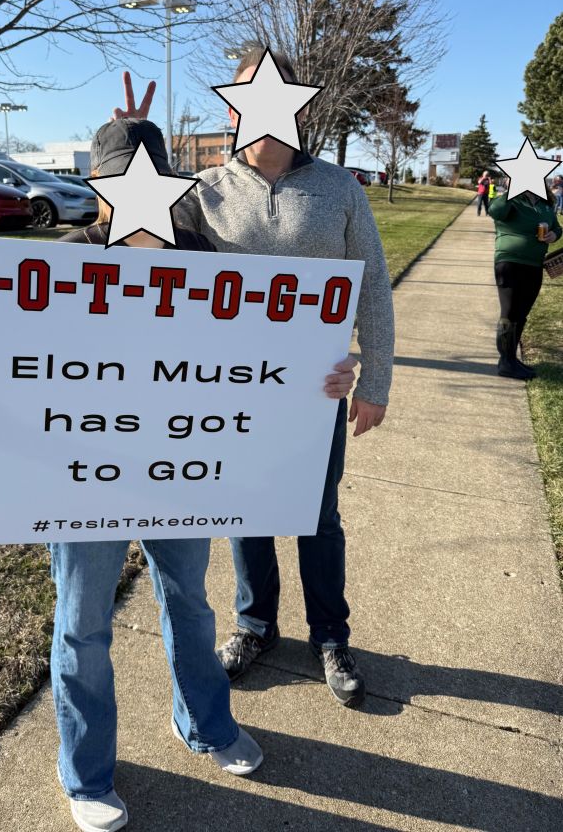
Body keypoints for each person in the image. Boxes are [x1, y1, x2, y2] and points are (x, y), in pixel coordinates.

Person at [0, 104, 358, 832]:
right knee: (83, 622)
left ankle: (206, 724)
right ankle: (86, 771)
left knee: (190, 602)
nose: (137, 193)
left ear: (175, 185)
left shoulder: (204, 258)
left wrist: (325, 375)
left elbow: (256, 358)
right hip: (80, 477)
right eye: (119, 181)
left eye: (150, 179)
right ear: (97, 188)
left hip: (179, 473)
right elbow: (0, 366)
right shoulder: (58, 262)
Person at [168, 48, 395, 709]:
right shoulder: (205, 194)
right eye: (248, 97)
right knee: (247, 512)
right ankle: (255, 625)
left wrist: (375, 379)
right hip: (232, 389)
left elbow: (372, 283)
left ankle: (330, 635)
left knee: (318, 516)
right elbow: (136, 258)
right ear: (233, 108)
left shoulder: (339, 189)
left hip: (313, 390)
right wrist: (129, 155)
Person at [488, 182, 561, 380]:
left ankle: (511, 359)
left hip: (534, 264)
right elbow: (494, 211)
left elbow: (556, 227)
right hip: (509, 262)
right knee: (509, 313)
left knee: (522, 313)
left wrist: (554, 234)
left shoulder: (544, 203)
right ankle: (506, 362)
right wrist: (513, 190)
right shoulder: (511, 200)